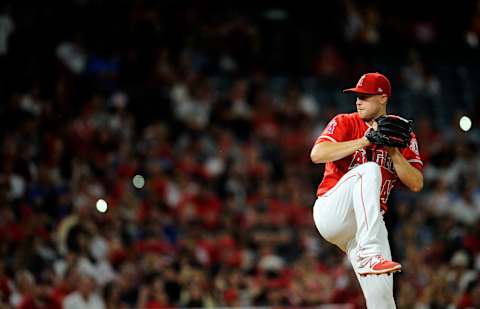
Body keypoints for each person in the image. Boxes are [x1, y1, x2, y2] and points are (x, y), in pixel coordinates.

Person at [310, 72, 423, 308]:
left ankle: (370, 255)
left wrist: (393, 151)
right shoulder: (345, 121)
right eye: (357, 96)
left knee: (383, 298)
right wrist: (365, 141)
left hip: (366, 226)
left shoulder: (401, 134)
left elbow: (416, 183)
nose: (358, 101)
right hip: (332, 210)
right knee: (370, 170)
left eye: (365, 96)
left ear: (383, 98)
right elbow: (317, 154)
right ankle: (370, 253)